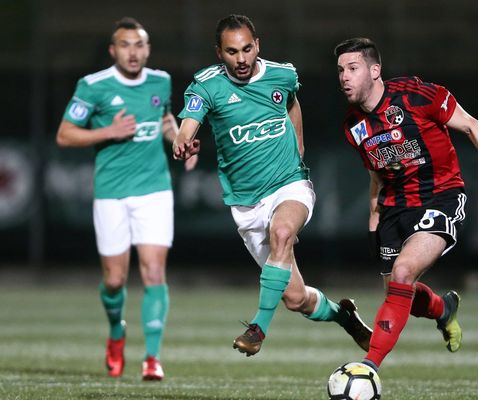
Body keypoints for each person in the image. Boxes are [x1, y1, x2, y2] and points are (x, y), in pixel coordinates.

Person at [173, 14, 372, 357]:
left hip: (289, 184)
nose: (242, 59)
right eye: (232, 51)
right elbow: (188, 124)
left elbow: (292, 103)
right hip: (247, 204)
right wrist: (183, 141)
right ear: (219, 53)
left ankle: (257, 329)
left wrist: (298, 145)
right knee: (296, 299)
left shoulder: (282, 74)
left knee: (282, 233)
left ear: (258, 46)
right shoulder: (207, 85)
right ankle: (346, 317)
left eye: (248, 49)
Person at [334, 37, 478, 370]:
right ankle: (441, 308)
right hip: (393, 208)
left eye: (353, 68)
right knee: (399, 292)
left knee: (403, 273)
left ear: (375, 70)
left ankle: (368, 367)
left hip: (441, 197)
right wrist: (373, 224)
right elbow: (376, 177)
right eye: (340, 71)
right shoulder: (353, 126)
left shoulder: (415, 94)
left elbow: (469, 124)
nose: (344, 77)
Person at [56, 17, 195, 380]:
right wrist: (109, 131)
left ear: (147, 50)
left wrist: (181, 141)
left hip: (154, 190)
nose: (133, 52)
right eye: (125, 45)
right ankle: (116, 332)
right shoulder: (93, 86)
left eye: (139, 45)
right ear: (113, 50)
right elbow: (66, 134)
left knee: (153, 271)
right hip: (111, 194)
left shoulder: (160, 81)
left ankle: (152, 357)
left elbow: (164, 119)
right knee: (115, 280)